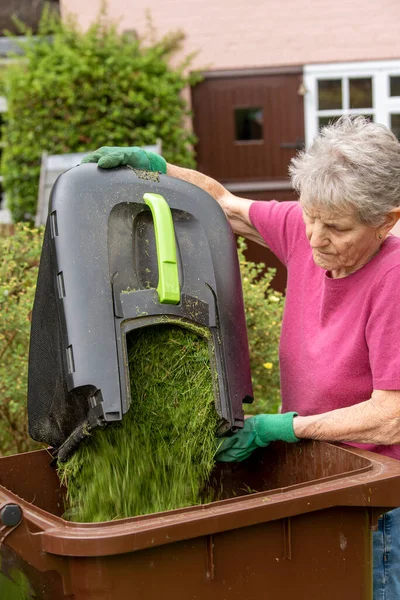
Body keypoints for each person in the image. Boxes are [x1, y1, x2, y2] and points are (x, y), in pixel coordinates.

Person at [82, 116, 400, 597]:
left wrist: (282, 428)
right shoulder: (305, 230)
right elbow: (224, 206)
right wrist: (155, 171)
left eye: (336, 227)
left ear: (387, 221)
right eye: (310, 215)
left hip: (374, 505)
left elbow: (390, 417)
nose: (314, 237)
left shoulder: (392, 280)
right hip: (315, 481)